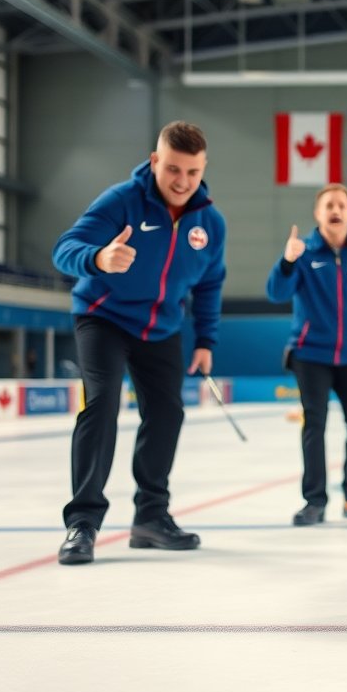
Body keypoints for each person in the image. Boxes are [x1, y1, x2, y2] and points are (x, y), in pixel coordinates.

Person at [50, 121, 226, 565]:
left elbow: (209, 284)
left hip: (162, 328)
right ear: (154, 161)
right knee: (103, 403)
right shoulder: (121, 201)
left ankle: (151, 517)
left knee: (168, 412)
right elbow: (64, 248)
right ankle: (83, 523)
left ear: (202, 168)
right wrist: (98, 258)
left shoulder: (210, 222)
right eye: (172, 169)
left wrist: (205, 340)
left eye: (192, 171)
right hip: (103, 317)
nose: (182, 181)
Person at [266, 184, 347, 526]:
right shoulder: (303, 253)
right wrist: (287, 261)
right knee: (314, 425)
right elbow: (276, 292)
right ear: (317, 214)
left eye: (341, 205)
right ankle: (314, 501)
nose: (335, 210)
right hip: (311, 355)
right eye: (328, 205)